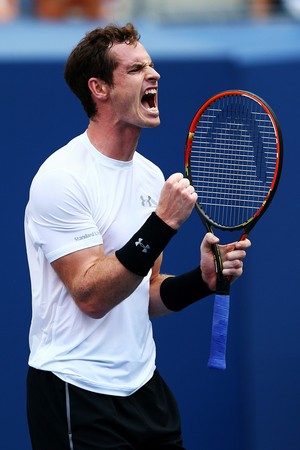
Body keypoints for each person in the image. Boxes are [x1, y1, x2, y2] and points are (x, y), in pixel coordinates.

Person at [24, 23, 251, 450]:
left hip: (143, 389)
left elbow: (141, 295)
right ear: (99, 88)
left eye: (151, 64)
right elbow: (92, 297)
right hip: (77, 391)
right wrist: (162, 224)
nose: (155, 74)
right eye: (136, 68)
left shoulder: (149, 176)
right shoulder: (60, 178)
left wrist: (201, 282)